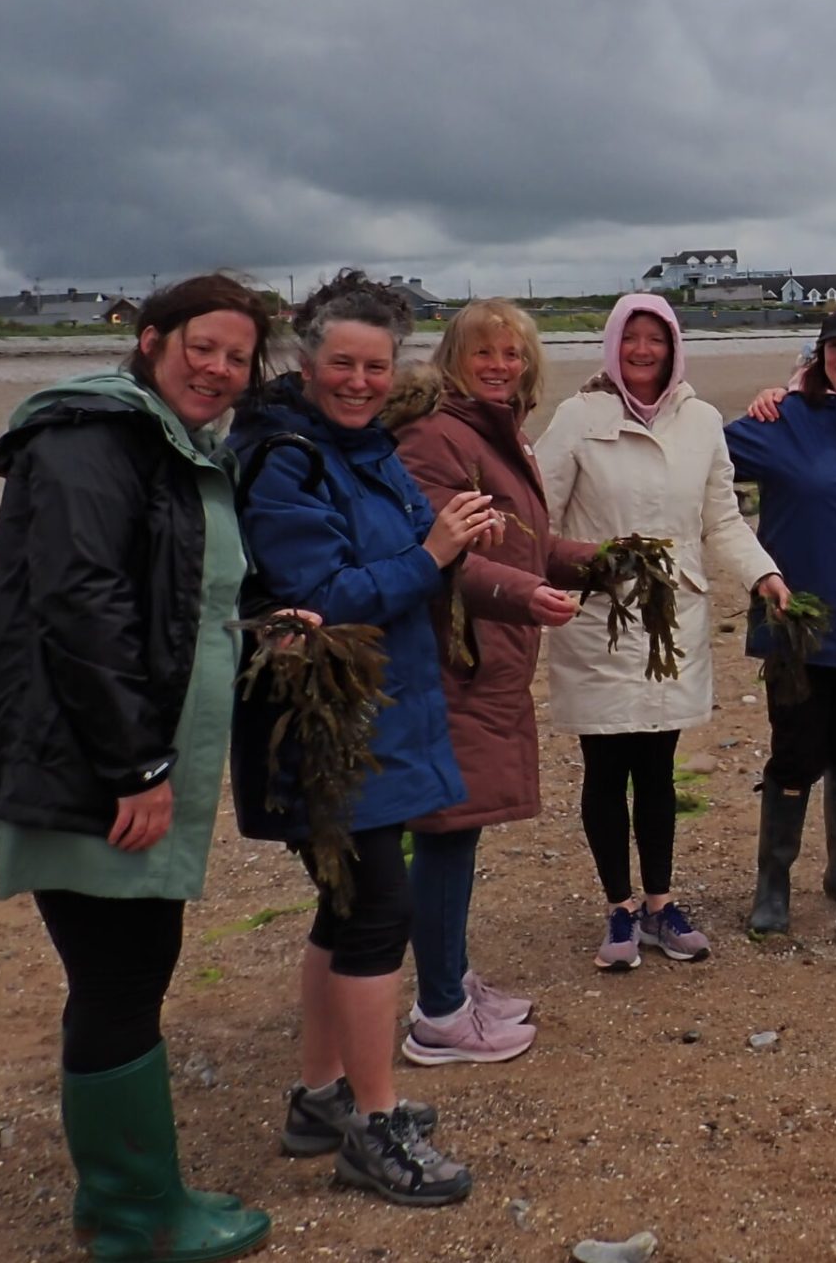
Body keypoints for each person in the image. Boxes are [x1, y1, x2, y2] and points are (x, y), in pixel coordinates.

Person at [0, 275, 278, 1262]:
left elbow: (176, 594)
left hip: (118, 757)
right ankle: (136, 1217)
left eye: (238, 356)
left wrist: (264, 626)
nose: (219, 369)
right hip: (89, 763)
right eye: (203, 346)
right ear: (151, 339)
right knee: (120, 975)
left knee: (132, 968)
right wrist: (135, 767)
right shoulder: (94, 436)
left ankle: (133, 1199)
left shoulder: (167, 446)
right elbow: (83, 602)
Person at [232, 272, 491, 1207]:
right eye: (341, 363)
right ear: (307, 361)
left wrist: (453, 541)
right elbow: (320, 598)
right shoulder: (284, 459)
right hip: (329, 726)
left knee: (346, 909)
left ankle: (319, 1099)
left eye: (375, 366)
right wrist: (432, 556)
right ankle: (373, 1130)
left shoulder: (361, 447)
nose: (358, 381)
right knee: (381, 914)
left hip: (383, 713)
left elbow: (420, 551)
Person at [537, 292, 786, 967]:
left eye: (657, 340)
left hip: (673, 619)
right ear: (613, 344)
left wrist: (762, 575)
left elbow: (723, 520)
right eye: (631, 339)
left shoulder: (701, 421)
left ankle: (660, 905)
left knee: (656, 770)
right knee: (604, 767)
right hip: (599, 620)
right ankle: (618, 910)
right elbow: (539, 517)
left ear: (674, 347)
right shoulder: (578, 417)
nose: (643, 351)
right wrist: (548, 584)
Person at [385, 300, 590, 1055]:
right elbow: (438, 551)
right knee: (446, 832)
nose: (502, 365)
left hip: (491, 662)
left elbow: (524, 545)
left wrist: (590, 561)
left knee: (459, 833)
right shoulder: (435, 434)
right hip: (452, 661)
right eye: (485, 354)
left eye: (513, 353)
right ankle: (438, 1014)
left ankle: (455, 975)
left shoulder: (498, 433)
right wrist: (522, 596)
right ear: (454, 360)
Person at [722, 305, 836, 934]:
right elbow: (695, 450)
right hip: (795, 625)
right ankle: (773, 884)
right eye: (835, 347)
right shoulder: (782, 422)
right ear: (819, 355)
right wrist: (609, 397)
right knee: (796, 753)